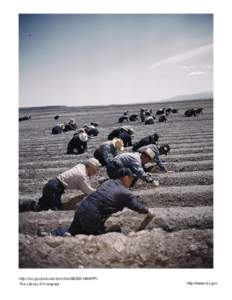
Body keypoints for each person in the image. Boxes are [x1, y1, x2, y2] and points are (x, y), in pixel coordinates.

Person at [49, 168, 153, 236]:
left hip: (82, 208)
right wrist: (148, 211)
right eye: (131, 179)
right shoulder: (124, 192)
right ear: (125, 177)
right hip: (92, 215)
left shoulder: (109, 182)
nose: (131, 182)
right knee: (99, 238)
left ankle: (51, 234)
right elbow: (136, 206)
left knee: (72, 231)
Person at [19, 158, 101, 212]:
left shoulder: (81, 166)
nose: (94, 173)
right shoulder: (82, 175)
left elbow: (86, 182)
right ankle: (22, 204)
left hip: (53, 185)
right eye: (94, 170)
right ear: (89, 167)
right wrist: (99, 192)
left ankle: (22, 204)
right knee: (56, 210)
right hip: (54, 188)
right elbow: (88, 190)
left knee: (42, 206)